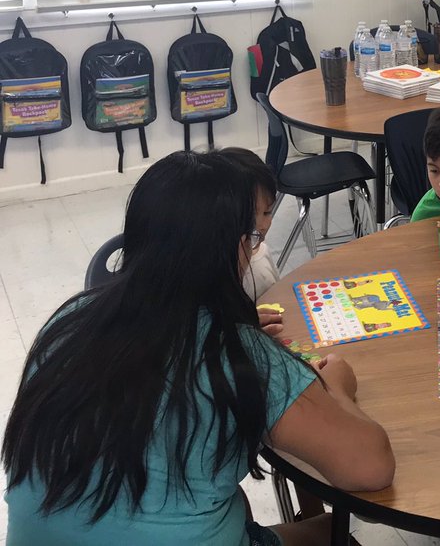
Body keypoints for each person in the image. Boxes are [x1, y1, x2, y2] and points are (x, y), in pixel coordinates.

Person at [3, 151, 395, 546]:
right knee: (335, 533)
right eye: (253, 238)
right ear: (235, 246)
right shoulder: (242, 356)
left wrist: (232, 329)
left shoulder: (69, 319)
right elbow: (370, 468)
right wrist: (337, 389)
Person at [215, 147, 282, 302]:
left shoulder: (262, 252)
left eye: (268, 212)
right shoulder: (217, 272)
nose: (264, 225)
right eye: (249, 217)